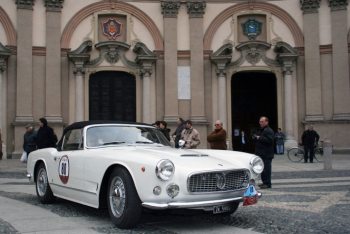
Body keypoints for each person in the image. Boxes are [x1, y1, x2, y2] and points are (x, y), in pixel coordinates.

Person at [253, 116, 274, 189]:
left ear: (266, 122)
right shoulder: (262, 130)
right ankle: (264, 182)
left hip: (266, 154)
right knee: (263, 169)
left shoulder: (268, 130)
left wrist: (259, 138)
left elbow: (270, 140)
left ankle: (268, 183)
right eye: (260, 121)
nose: (260, 123)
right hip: (262, 154)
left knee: (267, 169)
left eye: (262, 122)